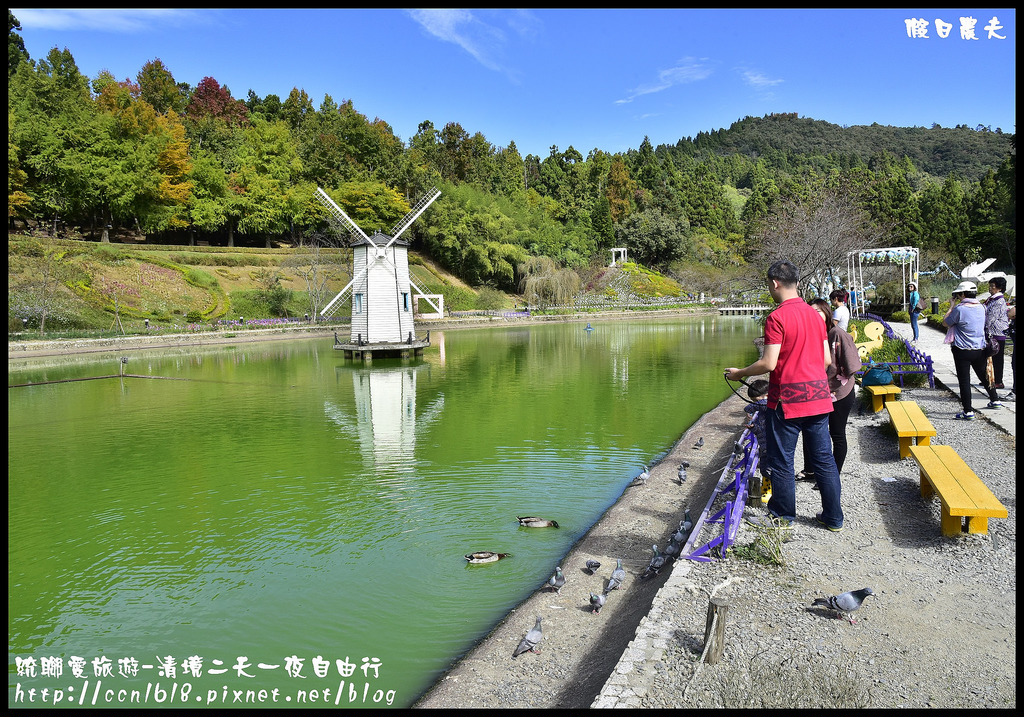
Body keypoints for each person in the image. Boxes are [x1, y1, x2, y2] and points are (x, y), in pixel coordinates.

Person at [726, 260, 844, 532]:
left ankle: (783, 516)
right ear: (797, 283)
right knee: (824, 459)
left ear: (774, 283)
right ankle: (833, 518)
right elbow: (826, 359)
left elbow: (768, 363)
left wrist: (740, 373)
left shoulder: (776, 318)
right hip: (819, 398)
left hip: (787, 401)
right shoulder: (816, 316)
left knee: (782, 461)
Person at [798, 299, 862, 487]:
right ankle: (810, 469)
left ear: (827, 312)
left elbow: (852, 366)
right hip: (818, 392)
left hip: (839, 392)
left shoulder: (836, 334)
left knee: (836, 434)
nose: (814, 316)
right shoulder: (812, 335)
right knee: (811, 431)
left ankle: (831, 477)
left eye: (818, 311)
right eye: (810, 312)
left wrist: (832, 377)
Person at [942, 280, 1001, 420]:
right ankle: (995, 400)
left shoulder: (960, 309)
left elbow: (945, 322)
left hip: (962, 350)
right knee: (984, 375)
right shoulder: (982, 307)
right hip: (979, 348)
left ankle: (968, 411)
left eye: (959, 294)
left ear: (962, 294)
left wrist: (951, 306)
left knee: (964, 380)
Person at [984, 277, 1009, 390]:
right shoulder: (992, 299)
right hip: (991, 332)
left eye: (992, 286)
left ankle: (998, 381)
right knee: (989, 357)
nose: (990, 289)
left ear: (999, 288)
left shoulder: (998, 301)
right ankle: (990, 378)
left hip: (996, 332)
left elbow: (991, 318)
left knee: (997, 358)